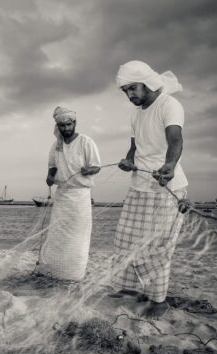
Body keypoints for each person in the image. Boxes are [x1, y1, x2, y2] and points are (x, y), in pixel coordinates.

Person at [110, 60, 188, 318]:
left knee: (157, 247)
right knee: (124, 240)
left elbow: (175, 141)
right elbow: (135, 147)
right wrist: (128, 161)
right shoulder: (135, 113)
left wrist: (170, 165)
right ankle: (135, 290)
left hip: (165, 186)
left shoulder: (169, 105)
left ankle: (158, 301)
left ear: (147, 82)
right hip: (139, 186)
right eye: (125, 91)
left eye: (133, 88)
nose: (130, 95)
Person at [34, 106, 101, 281]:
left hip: (80, 197)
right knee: (58, 237)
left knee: (78, 239)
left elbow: (96, 166)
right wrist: (49, 177)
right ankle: (56, 273)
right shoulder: (55, 146)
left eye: (68, 125)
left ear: (74, 123)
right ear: (58, 126)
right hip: (62, 196)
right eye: (61, 126)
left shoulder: (86, 142)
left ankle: (74, 275)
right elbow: (52, 168)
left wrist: (89, 170)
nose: (65, 129)